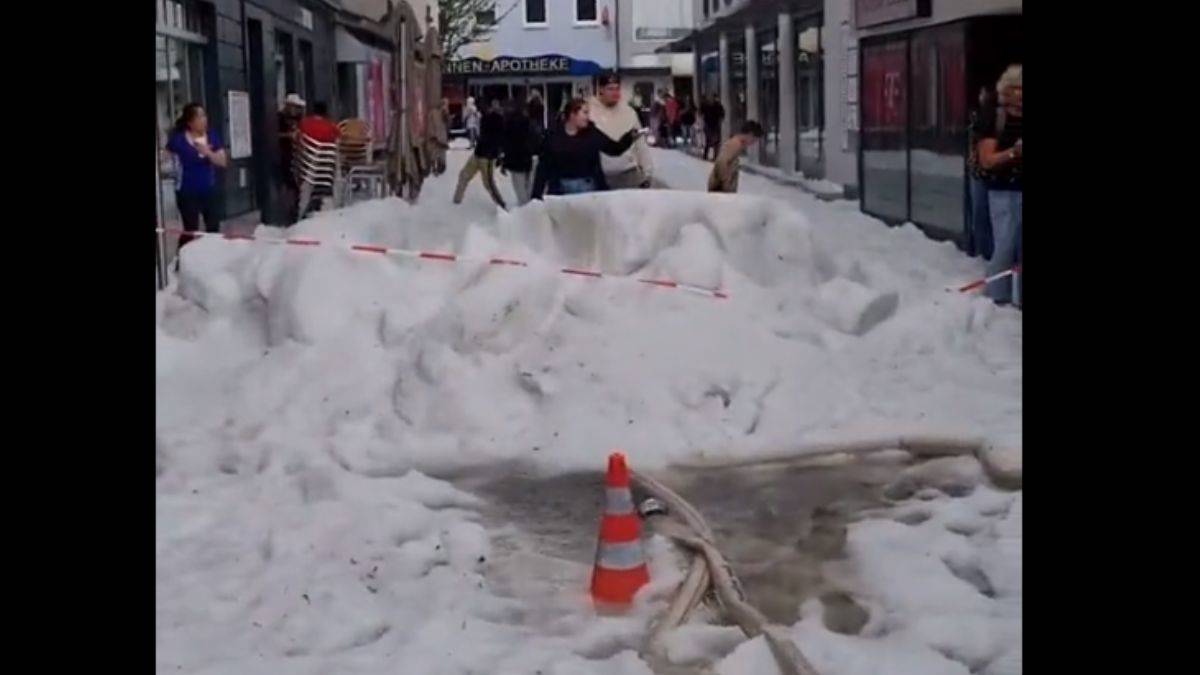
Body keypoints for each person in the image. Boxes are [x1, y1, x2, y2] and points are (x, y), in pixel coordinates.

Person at [975, 65, 1023, 307]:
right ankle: (996, 298)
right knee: (1005, 244)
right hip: (1003, 190)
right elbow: (987, 159)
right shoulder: (994, 116)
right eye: (1016, 88)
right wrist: (1013, 153)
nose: (1020, 94)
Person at [531, 98, 642, 198]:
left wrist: (629, 137)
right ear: (572, 114)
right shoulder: (554, 137)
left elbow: (613, 149)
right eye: (584, 113)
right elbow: (543, 168)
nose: (587, 117)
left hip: (590, 191)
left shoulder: (592, 134)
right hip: (561, 192)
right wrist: (536, 195)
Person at [166, 103, 228, 264]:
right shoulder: (178, 140)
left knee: (213, 227)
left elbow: (222, 161)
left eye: (204, 116)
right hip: (186, 191)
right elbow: (166, 158)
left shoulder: (212, 136)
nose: (204, 120)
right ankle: (182, 262)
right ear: (190, 122)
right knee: (190, 229)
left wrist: (207, 152)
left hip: (208, 188)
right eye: (199, 117)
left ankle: (214, 260)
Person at [587, 72, 654, 189]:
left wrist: (647, 171)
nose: (615, 93)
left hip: (628, 174)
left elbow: (640, 143)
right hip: (598, 176)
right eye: (610, 89)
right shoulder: (589, 111)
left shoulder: (629, 112)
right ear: (601, 90)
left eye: (617, 89)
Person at [453, 99, 507, 209]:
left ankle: (502, 206)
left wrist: (497, 154)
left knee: (488, 183)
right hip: (479, 152)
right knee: (464, 175)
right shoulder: (484, 117)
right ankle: (456, 203)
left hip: (487, 156)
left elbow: (500, 139)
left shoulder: (498, 119)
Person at [966, 87, 996, 260]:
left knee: (985, 215)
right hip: (980, 173)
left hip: (989, 173)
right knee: (980, 215)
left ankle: (986, 252)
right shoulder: (977, 118)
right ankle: (983, 253)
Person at [707, 120, 764, 193]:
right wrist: (726, 183)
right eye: (754, 140)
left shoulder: (737, 144)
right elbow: (721, 162)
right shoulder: (735, 144)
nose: (753, 143)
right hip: (720, 189)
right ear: (750, 134)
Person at [500, 100, 538, 206]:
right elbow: (535, 139)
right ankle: (530, 207)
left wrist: (504, 161)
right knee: (529, 186)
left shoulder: (508, 123)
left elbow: (505, 143)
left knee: (520, 189)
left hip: (515, 160)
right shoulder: (530, 122)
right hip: (529, 157)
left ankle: (525, 209)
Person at [277, 93, 305, 224]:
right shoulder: (279, 118)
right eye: (296, 107)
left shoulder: (298, 119)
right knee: (289, 184)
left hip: (296, 155)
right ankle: (287, 214)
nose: (297, 110)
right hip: (283, 155)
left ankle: (295, 211)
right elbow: (273, 134)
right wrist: (289, 135)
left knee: (296, 184)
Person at [427, 98, 450, 176]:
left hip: (442, 136)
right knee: (434, 153)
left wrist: (446, 113)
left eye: (446, 105)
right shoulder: (433, 112)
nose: (445, 106)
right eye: (444, 104)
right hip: (435, 136)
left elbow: (448, 123)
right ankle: (434, 167)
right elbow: (430, 123)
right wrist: (432, 134)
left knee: (441, 152)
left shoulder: (445, 113)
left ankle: (441, 166)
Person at [701, 94, 726, 161]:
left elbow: (722, 114)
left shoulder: (711, 105)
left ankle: (709, 155)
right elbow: (722, 114)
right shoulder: (714, 106)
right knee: (713, 141)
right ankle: (711, 156)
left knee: (711, 141)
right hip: (712, 125)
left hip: (712, 125)